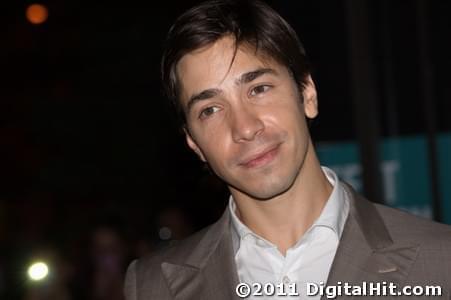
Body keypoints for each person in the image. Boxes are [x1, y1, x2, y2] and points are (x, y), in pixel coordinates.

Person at [124, 0, 451, 299]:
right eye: (210, 110)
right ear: (193, 142)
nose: (245, 128)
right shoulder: (153, 287)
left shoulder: (441, 261)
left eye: (259, 89)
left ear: (307, 94)